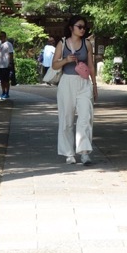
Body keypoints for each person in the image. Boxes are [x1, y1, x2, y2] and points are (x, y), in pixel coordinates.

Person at [51, 15, 97, 165]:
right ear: (71, 28)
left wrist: (94, 85)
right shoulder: (62, 44)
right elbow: (54, 65)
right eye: (80, 26)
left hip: (83, 83)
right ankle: (69, 153)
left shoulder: (87, 44)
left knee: (85, 117)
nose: (83, 29)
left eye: (84, 27)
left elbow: (90, 66)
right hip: (67, 82)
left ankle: (84, 152)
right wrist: (65, 60)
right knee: (66, 119)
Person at [0, 31, 14, 101]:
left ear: (5, 37)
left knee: (6, 80)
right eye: (0, 36)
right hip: (0, 65)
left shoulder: (8, 44)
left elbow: (11, 54)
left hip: (6, 65)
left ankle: (7, 93)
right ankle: (3, 92)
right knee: (1, 80)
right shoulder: (0, 44)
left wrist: (10, 63)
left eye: (2, 36)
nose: (1, 37)